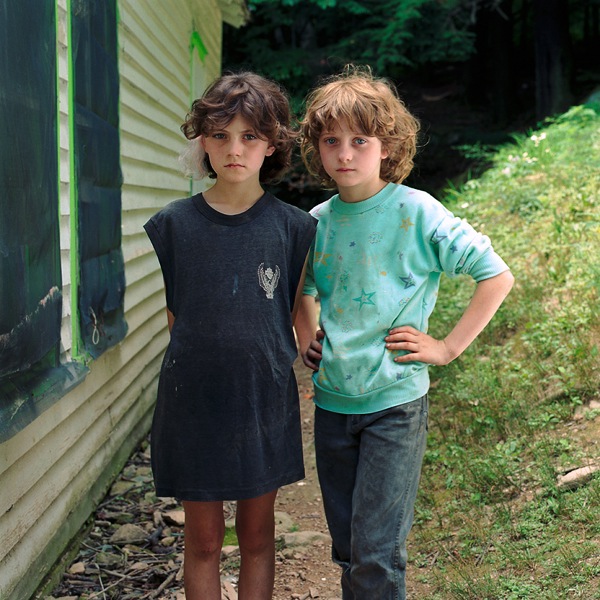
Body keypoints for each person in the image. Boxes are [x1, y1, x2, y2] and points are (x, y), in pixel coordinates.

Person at [294, 66, 514, 599]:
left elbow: (496, 275)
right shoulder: (314, 222)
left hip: (395, 405)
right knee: (348, 547)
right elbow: (303, 288)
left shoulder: (417, 212)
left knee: (376, 552)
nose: (345, 153)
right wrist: (308, 332)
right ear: (317, 149)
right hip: (333, 405)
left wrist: (447, 346)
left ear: (388, 147)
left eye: (360, 140)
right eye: (331, 141)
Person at [143, 72, 316, 600]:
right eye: (220, 135)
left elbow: (294, 308)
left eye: (248, 136)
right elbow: (181, 316)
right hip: (192, 403)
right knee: (201, 543)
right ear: (202, 141)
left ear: (272, 143)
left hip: (261, 399)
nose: (234, 149)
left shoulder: (294, 228)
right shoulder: (172, 224)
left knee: (258, 538)